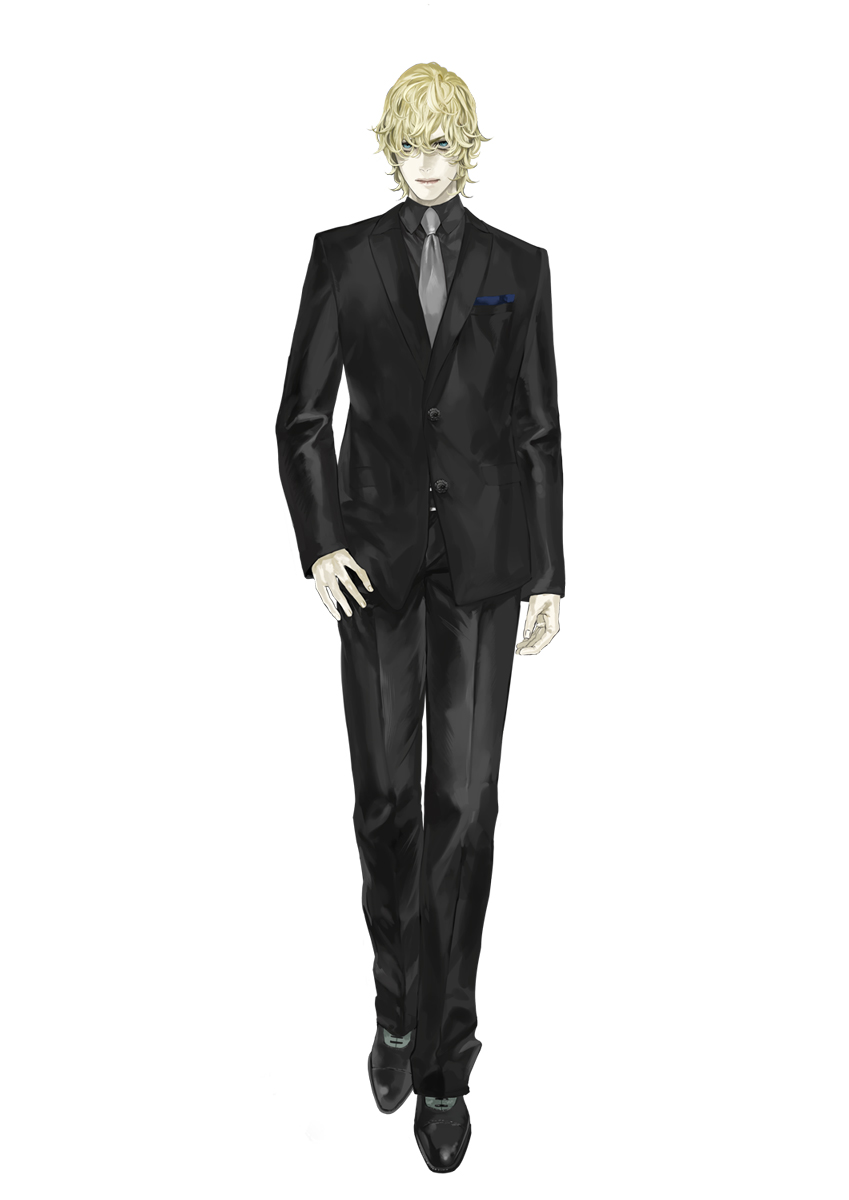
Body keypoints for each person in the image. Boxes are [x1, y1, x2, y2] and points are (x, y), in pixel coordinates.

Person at [275, 61, 564, 1173]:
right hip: (375, 570)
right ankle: (395, 1004)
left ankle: (446, 1062)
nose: (426, 163)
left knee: (466, 810)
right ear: (389, 150)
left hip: (485, 572)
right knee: (388, 806)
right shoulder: (342, 259)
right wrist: (321, 544)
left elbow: (537, 427)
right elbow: (301, 417)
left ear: (467, 149)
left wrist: (548, 571)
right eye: (409, 145)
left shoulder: (517, 268)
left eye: (443, 144)